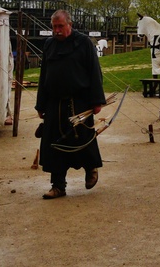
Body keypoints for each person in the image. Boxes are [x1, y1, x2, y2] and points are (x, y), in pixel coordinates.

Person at [34, 10, 107, 199]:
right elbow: (44, 76)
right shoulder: (49, 44)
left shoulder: (84, 43)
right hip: (54, 103)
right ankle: (58, 186)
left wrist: (97, 101)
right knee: (54, 144)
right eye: (54, 27)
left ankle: (91, 169)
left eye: (60, 26)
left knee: (83, 137)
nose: (57, 30)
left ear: (70, 24)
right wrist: (40, 105)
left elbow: (94, 72)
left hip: (80, 101)